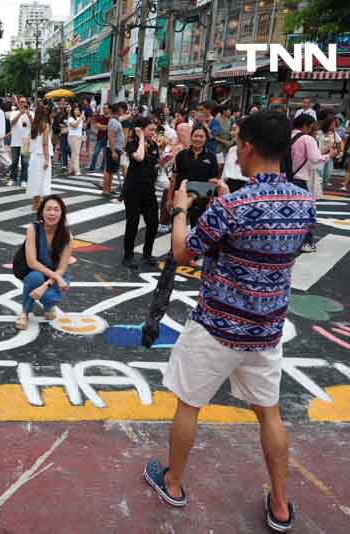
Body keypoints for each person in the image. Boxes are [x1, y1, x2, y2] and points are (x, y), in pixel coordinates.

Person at [144, 111, 316, 534]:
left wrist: (182, 210)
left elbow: (184, 253)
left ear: (249, 148)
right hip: (266, 329)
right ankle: (279, 504)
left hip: (217, 325)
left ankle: (174, 482)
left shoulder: (231, 206)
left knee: (189, 403)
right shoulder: (303, 203)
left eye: (239, 142)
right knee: (269, 413)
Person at [15, 194, 72, 331]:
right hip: (35, 270)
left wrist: (46, 285)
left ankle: (48, 306)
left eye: (56, 209)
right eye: (48, 209)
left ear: (62, 213)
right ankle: (25, 312)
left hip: (54, 274)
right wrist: (57, 277)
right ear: (41, 212)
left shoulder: (67, 235)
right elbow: (32, 262)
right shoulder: (33, 229)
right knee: (34, 278)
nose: (52, 213)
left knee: (51, 297)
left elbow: (62, 267)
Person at [121, 116, 161, 269]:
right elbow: (139, 157)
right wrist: (141, 137)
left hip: (149, 188)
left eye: (154, 129)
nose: (153, 132)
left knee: (153, 223)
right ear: (141, 129)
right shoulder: (133, 144)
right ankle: (128, 255)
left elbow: (153, 162)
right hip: (133, 189)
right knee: (133, 222)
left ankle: (147, 254)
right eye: (150, 129)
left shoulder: (154, 144)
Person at [170, 125, 219, 229]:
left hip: (201, 201)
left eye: (201, 136)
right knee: (177, 228)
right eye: (196, 136)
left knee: (197, 232)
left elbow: (213, 181)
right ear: (191, 137)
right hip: (181, 198)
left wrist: (210, 202)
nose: (198, 139)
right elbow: (174, 178)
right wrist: (169, 199)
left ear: (206, 139)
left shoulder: (211, 157)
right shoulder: (181, 155)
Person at [27, 104, 53, 212]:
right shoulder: (45, 126)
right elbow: (45, 144)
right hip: (42, 156)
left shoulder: (34, 125)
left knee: (35, 181)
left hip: (34, 156)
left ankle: (35, 204)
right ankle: (40, 204)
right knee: (43, 181)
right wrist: (47, 159)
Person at [9, 96, 31, 187]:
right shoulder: (14, 113)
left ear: (26, 103)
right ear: (18, 103)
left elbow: (34, 125)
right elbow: (11, 123)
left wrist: (29, 115)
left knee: (25, 162)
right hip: (15, 141)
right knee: (14, 161)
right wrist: (19, 114)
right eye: (21, 102)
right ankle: (13, 179)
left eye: (24, 102)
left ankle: (24, 179)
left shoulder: (30, 113)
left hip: (25, 141)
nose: (22, 104)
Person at [221, 121, 250, 192]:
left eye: (234, 129)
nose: (231, 133)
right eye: (231, 130)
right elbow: (225, 173)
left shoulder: (254, 150)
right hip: (228, 187)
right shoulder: (232, 149)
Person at [316, 113, 341, 191]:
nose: (334, 126)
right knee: (320, 174)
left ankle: (322, 189)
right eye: (333, 124)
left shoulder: (334, 134)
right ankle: (317, 191)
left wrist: (339, 151)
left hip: (329, 157)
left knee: (328, 174)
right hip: (320, 156)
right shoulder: (319, 132)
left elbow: (340, 142)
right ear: (328, 124)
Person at [88, 105, 110, 172]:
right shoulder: (100, 116)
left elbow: (108, 127)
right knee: (95, 153)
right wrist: (104, 127)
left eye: (105, 108)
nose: (104, 109)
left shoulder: (111, 118)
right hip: (100, 138)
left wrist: (103, 127)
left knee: (105, 155)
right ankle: (92, 167)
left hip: (108, 138)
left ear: (109, 109)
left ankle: (102, 167)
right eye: (103, 108)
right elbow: (97, 125)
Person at [66, 107, 84, 177]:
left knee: (74, 154)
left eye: (78, 110)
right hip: (72, 137)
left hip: (79, 137)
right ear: (73, 111)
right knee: (76, 154)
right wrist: (80, 118)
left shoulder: (80, 118)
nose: (77, 111)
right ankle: (77, 170)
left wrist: (82, 118)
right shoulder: (71, 118)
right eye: (76, 110)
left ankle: (70, 169)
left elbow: (82, 127)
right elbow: (75, 125)